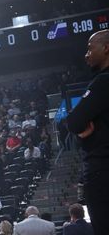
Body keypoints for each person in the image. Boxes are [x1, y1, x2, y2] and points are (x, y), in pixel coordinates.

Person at [66, 30, 109, 235]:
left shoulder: (103, 82)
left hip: (102, 169)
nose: (86, 54)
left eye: (90, 48)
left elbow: (73, 122)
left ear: (106, 48)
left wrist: (82, 135)